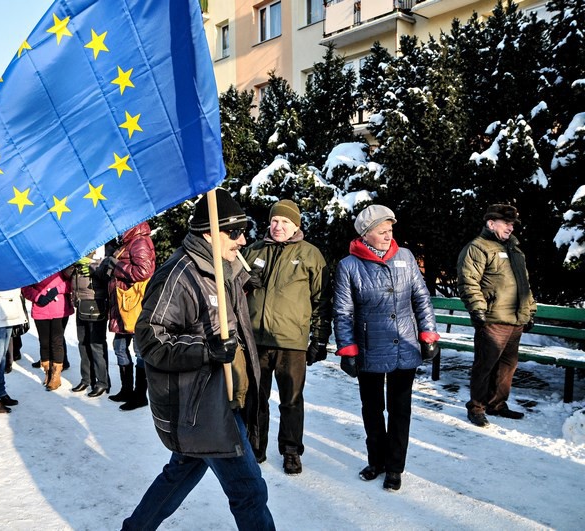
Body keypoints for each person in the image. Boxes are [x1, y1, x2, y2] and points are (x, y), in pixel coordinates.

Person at [123, 189, 274, 530]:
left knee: (181, 472)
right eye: (234, 231)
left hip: (222, 396)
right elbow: (149, 339)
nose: (243, 239)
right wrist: (205, 349)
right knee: (249, 490)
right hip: (203, 405)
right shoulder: (180, 275)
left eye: (244, 229)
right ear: (209, 232)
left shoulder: (224, 269)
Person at [333, 205, 439, 492]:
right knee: (372, 409)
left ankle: (394, 468)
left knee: (400, 409)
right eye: (381, 232)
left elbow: (421, 297)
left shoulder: (404, 257)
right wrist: (347, 350)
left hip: (404, 345)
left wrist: (428, 334)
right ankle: (376, 461)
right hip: (369, 347)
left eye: (390, 230)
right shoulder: (349, 265)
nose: (387, 236)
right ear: (365, 235)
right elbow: (343, 311)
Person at [243, 199, 332, 474]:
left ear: (296, 225)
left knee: (291, 400)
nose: (278, 226)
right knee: (255, 398)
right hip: (256, 339)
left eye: (284, 222)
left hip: (291, 342)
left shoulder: (310, 254)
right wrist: (243, 279)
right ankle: (255, 447)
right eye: (274, 221)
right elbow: (228, 282)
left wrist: (319, 338)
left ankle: (291, 450)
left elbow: (322, 299)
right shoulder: (254, 250)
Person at [457, 204, 536, 428]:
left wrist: (529, 310)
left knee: (507, 366)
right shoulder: (478, 247)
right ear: (491, 224)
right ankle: (477, 407)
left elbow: (525, 285)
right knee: (485, 365)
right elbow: (468, 281)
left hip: (515, 320)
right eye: (506, 224)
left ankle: (497, 404)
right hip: (492, 319)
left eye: (512, 224)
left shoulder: (515, 249)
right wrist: (478, 309)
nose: (510, 228)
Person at [102, 222, 155, 411]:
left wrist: (116, 265)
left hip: (134, 307)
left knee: (139, 350)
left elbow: (143, 271)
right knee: (119, 347)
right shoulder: (127, 241)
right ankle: (127, 389)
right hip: (122, 306)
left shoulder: (139, 241)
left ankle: (140, 395)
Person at [22, 268, 74, 391]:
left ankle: (56, 375)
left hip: (59, 309)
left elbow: (72, 283)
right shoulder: (34, 266)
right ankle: (48, 372)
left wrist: (57, 290)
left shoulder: (62, 264)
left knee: (56, 341)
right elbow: (25, 287)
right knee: (44, 342)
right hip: (41, 308)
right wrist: (38, 297)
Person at [70, 250, 111, 397]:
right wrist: (73, 263)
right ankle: (86, 379)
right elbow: (66, 275)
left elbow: (108, 274)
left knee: (96, 344)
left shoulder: (102, 253)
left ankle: (102, 382)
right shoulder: (75, 256)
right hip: (80, 303)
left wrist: (93, 265)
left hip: (96, 303)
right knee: (83, 343)